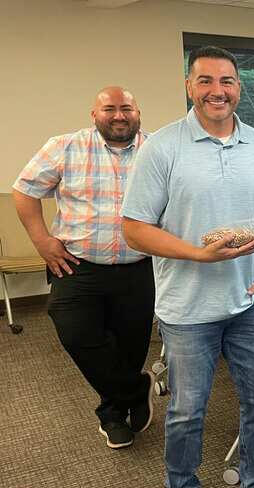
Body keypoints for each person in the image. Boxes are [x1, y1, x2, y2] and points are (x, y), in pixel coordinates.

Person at [121, 46, 254, 488]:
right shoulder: (161, 147)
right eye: (206, 81)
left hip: (252, 301)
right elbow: (134, 229)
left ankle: (253, 478)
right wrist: (199, 254)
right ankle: (182, 481)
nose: (218, 91)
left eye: (227, 82)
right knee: (186, 411)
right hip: (187, 309)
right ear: (189, 87)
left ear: (239, 87)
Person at [12, 86, 154, 450]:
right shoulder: (65, 146)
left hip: (139, 267)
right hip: (77, 266)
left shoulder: (157, 149)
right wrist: (43, 241)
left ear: (138, 113)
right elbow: (24, 190)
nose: (119, 115)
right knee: (76, 334)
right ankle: (136, 390)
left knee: (130, 346)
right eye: (110, 109)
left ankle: (112, 414)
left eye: (127, 108)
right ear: (94, 114)